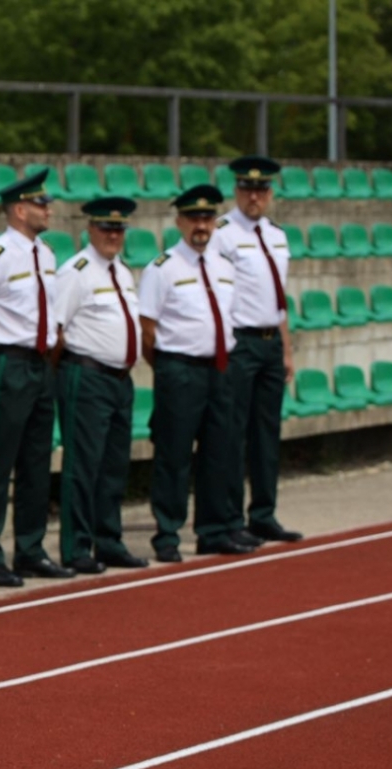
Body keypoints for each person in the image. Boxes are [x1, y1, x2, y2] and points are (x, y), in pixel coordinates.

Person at [0, 169, 73, 588]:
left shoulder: (45, 254)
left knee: (36, 461)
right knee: (0, 461)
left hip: (40, 363)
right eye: (40, 203)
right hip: (7, 362)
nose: (48, 209)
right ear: (19, 208)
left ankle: (30, 549)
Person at [138, 185, 250, 564]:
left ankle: (212, 531)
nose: (201, 225)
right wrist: (169, 368)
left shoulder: (224, 266)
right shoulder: (162, 268)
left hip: (219, 369)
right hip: (180, 370)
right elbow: (148, 330)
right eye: (193, 218)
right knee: (174, 455)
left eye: (207, 218)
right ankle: (167, 533)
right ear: (179, 222)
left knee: (219, 452)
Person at [51, 196, 149, 572]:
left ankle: (108, 540)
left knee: (113, 465)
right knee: (84, 464)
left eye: (119, 228)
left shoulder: (121, 271)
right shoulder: (76, 271)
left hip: (120, 380)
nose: (113, 235)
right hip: (87, 376)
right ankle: (76, 547)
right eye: (106, 228)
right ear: (90, 229)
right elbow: (57, 331)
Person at [215, 155, 302, 546]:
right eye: (248, 189)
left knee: (267, 433)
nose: (255, 196)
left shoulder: (277, 235)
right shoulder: (223, 234)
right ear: (237, 191)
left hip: (270, 342)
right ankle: (232, 518)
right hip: (241, 341)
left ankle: (263, 513)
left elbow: (278, 298)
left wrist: (286, 348)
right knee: (235, 433)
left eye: (262, 189)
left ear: (270, 192)